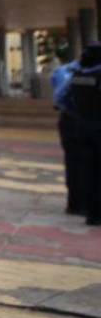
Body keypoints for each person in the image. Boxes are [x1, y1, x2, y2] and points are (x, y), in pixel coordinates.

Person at [54, 43, 101, 223]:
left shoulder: (75, 75)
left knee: (80, 168)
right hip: (97, 126)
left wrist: (77, 113)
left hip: (79, 126)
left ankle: (82, 207)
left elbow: (60, 99)